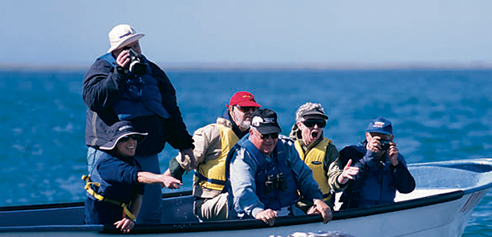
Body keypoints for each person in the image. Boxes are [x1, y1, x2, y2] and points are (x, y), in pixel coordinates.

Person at [82, 24, 195, 224]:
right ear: (115, 51)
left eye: (135, 45)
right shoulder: (100, 68)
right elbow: (94, 99)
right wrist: (119, 74)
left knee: (150, 211)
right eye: (127, 47)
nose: (133, 51)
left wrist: (184, 145)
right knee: (107, 205)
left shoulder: (153, 71)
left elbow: (169, 110)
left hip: (146, 149)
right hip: (109, 152)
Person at [228, 108, 333, 226]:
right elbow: (243, 191)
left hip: (289, 214)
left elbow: (304, 176)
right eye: (264, 136)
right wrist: (259, 212)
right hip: (253, 219)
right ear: (252, 133)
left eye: (274, 135)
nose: (270, 140)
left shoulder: (286, 147)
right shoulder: (242, 157)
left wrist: (317, 199)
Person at [167, 91, 261, 221]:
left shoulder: (258, 137)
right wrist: (153, 187)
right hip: (209, 202)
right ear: (231, 110)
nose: (250, 112)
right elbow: (179, 166)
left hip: (243, 198)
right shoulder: (212, 133)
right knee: (243, 199)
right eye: (244, 108)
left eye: (254, 109)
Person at [84, 121, 182, 233]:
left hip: (122, 219)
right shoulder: (107, 164)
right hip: (98, 219)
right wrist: (163, 178)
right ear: (115, 143)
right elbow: (136, 176)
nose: (131, 142)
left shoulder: (134, 163)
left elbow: (138, 196)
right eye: (125, 138)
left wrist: (131, 218)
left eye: (134, 137)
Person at [289, 102, 359, 212]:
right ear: (299, 125)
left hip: (321, 207)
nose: (316, 127)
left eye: (320, 123)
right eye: (310, 123)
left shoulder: (329, 149)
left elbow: (334, 175)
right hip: (292, 206)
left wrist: (342, 178)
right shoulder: (286, 146)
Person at [338, 117, 416, 209]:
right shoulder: (352, 153)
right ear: (367, 136)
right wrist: (368, 158)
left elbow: (407, 188)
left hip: (385, 210)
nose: (379, 143)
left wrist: (396, 165)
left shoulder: (396, 158)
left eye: (383, 139)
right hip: (356, 210)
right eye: (376, 139)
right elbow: (349, 186)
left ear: (391, 138)